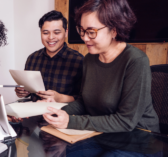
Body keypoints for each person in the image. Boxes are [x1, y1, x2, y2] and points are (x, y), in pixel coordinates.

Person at [42, 0, 160, 133]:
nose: (85, 38)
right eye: (82, 30)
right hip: (103, 132)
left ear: (114, 30)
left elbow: (126, 121)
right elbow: (83, 103)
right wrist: (55, 112)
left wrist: (71, 121)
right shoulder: (89, 59)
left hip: (139, 136)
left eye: (91, 32)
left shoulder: (136, 61)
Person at [15, 10, 84, 103]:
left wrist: (60, 98)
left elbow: (84, 100)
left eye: (56, 32)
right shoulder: (32, 59)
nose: (51, 37)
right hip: (34, 114)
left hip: (64, 115)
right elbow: (29, 91)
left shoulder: (79, 61)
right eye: (46, 33)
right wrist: (23, 92)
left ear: (66, 32)